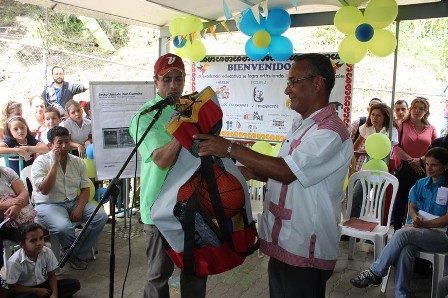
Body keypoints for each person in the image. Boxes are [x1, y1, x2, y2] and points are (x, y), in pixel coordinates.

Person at [194, 53, 353, 298]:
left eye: (293, 82)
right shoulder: (303, 125)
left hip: (305, 246)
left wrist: (229, 148)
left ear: (317, 83)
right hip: (286, 241)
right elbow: (287, 172)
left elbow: (287, 171)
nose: (287, 90)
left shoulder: (330, 132)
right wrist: (243, 172)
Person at [129, 53, 207, 298]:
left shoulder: (188, 109)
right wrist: (184, 130)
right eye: (166, 80)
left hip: (193, 203)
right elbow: (161, 160)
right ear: (156, 81)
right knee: (159, 275)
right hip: (160, 208)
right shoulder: (145, 116)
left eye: (178, 78)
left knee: (195, 271)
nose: (173, 85)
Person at [351, 147, 448, 297]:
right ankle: (401, 294)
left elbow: (446, 219)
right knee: (406, 249)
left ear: (445, 166)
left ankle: (376, 271)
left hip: (440, 236)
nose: (429, 168)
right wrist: (415, 217)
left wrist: (423, 224)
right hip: (417, 232)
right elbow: (412, 207)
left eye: (434, 165)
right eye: (427, 164)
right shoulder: (420, 183)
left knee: (402, 234)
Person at [31, 126, 107, 270]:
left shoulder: (77, 162)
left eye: (67, 142)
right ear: (50, 145)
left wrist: (79, 207)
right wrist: (54, 163)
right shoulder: (41, 162)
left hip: (72, 201)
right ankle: (74, 255)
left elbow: (85, 188)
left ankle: (74, 254)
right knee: (63, 227)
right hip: (48, 204)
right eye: (59, 142)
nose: (64, 146)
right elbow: (45, 190)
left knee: (100, 216)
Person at [392, 97, 437, 230]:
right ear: (411, 108)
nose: (417, 111)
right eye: (415, 107)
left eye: (421, 109)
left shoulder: (431, 128)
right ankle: (397, 229)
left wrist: (421, 160)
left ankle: (415, 227)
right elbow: (395, 146)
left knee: (419, 200)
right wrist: (412, 161)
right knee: (401, 199)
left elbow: (433, 149)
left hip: (423, 169)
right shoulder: (401, 125)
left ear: (426, 112)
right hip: (404, 168)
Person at [6, 222, 80, 298]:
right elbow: (12, 287)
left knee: (74, 284)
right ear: (22, 245)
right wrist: (36, 291)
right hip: (26, 290)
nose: (39, 243)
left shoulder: (47, 252)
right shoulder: (15, 261)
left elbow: (51, 275)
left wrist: (55, 294)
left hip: (45, 285)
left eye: (41, 238)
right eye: (33, 240)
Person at [351, 103, 398, 217]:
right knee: (356, 196)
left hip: (382, 169)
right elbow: (357, 143)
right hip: (367, 168)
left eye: (378, 115)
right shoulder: (367, 128)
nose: (374, 118)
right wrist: (351, 157)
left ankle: (379, 225)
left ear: (385, 117)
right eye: (372, 114)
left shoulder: (391, 131)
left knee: (379, 200)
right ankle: (355, 222)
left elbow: (389, 150)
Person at [0, 165, 32, 271]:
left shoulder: (6, 171)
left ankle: (36, 272)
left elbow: (23, 192)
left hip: (15, 211)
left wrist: (16, 206)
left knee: (32, 233)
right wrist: (5, 204)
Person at [349, 98, 382, 172]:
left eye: (378, 107)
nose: (375, 117)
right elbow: (350, 142)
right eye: (372, 106)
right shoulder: (359, 122)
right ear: (368, 109)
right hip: (356, 165)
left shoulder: (385, 130)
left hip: (373, 167)